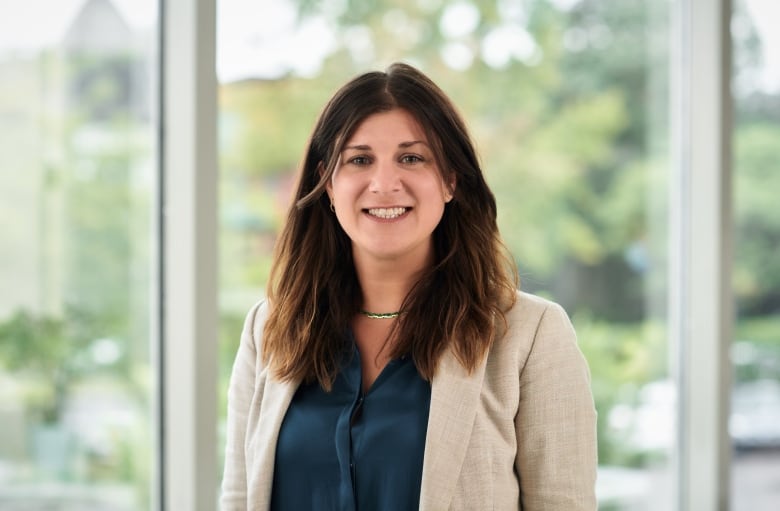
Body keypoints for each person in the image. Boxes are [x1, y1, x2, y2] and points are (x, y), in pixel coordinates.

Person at [220, 62, 597, 511]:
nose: (384, 183)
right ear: (327, 184)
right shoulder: (269, 330)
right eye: (359, 160)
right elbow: (240, 499)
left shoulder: (531, 334)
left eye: (412, 158)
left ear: (452, 179)